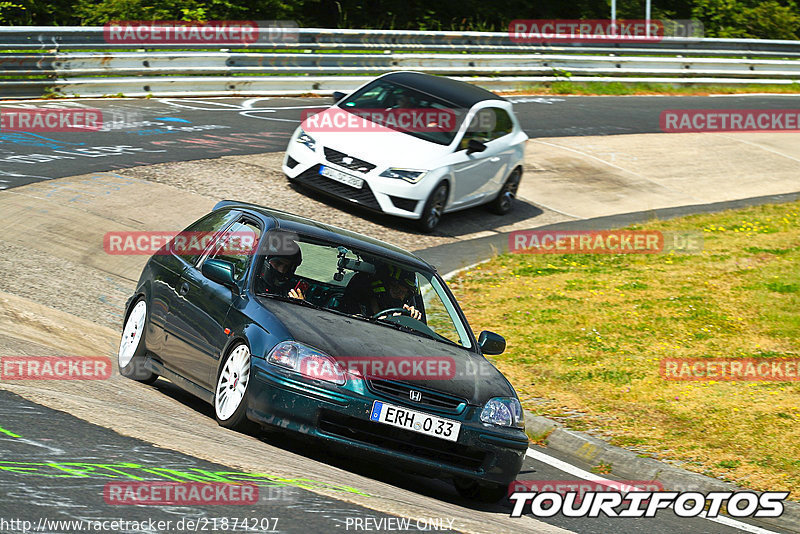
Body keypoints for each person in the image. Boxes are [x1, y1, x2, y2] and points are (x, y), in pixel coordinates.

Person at [343, 263, 423, 321]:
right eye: (397, 291)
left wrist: (412, 319)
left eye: (405, 294)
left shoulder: (402, 312)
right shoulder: (358, 306)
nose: (401, 298)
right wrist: (385, 319)